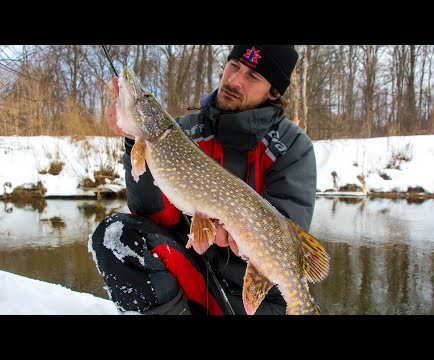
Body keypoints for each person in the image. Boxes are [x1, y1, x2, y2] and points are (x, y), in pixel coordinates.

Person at [90, 45, 317, 315]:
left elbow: (283, 231)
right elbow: (152, 216)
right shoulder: (185, 131)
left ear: (274, 91)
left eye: (252, 76)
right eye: (234, 66)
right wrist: (131, 140)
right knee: (116, 234)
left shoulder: (292, 147)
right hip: (194, 279)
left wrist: (241, 239)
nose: (234, 81)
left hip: (261, 301)